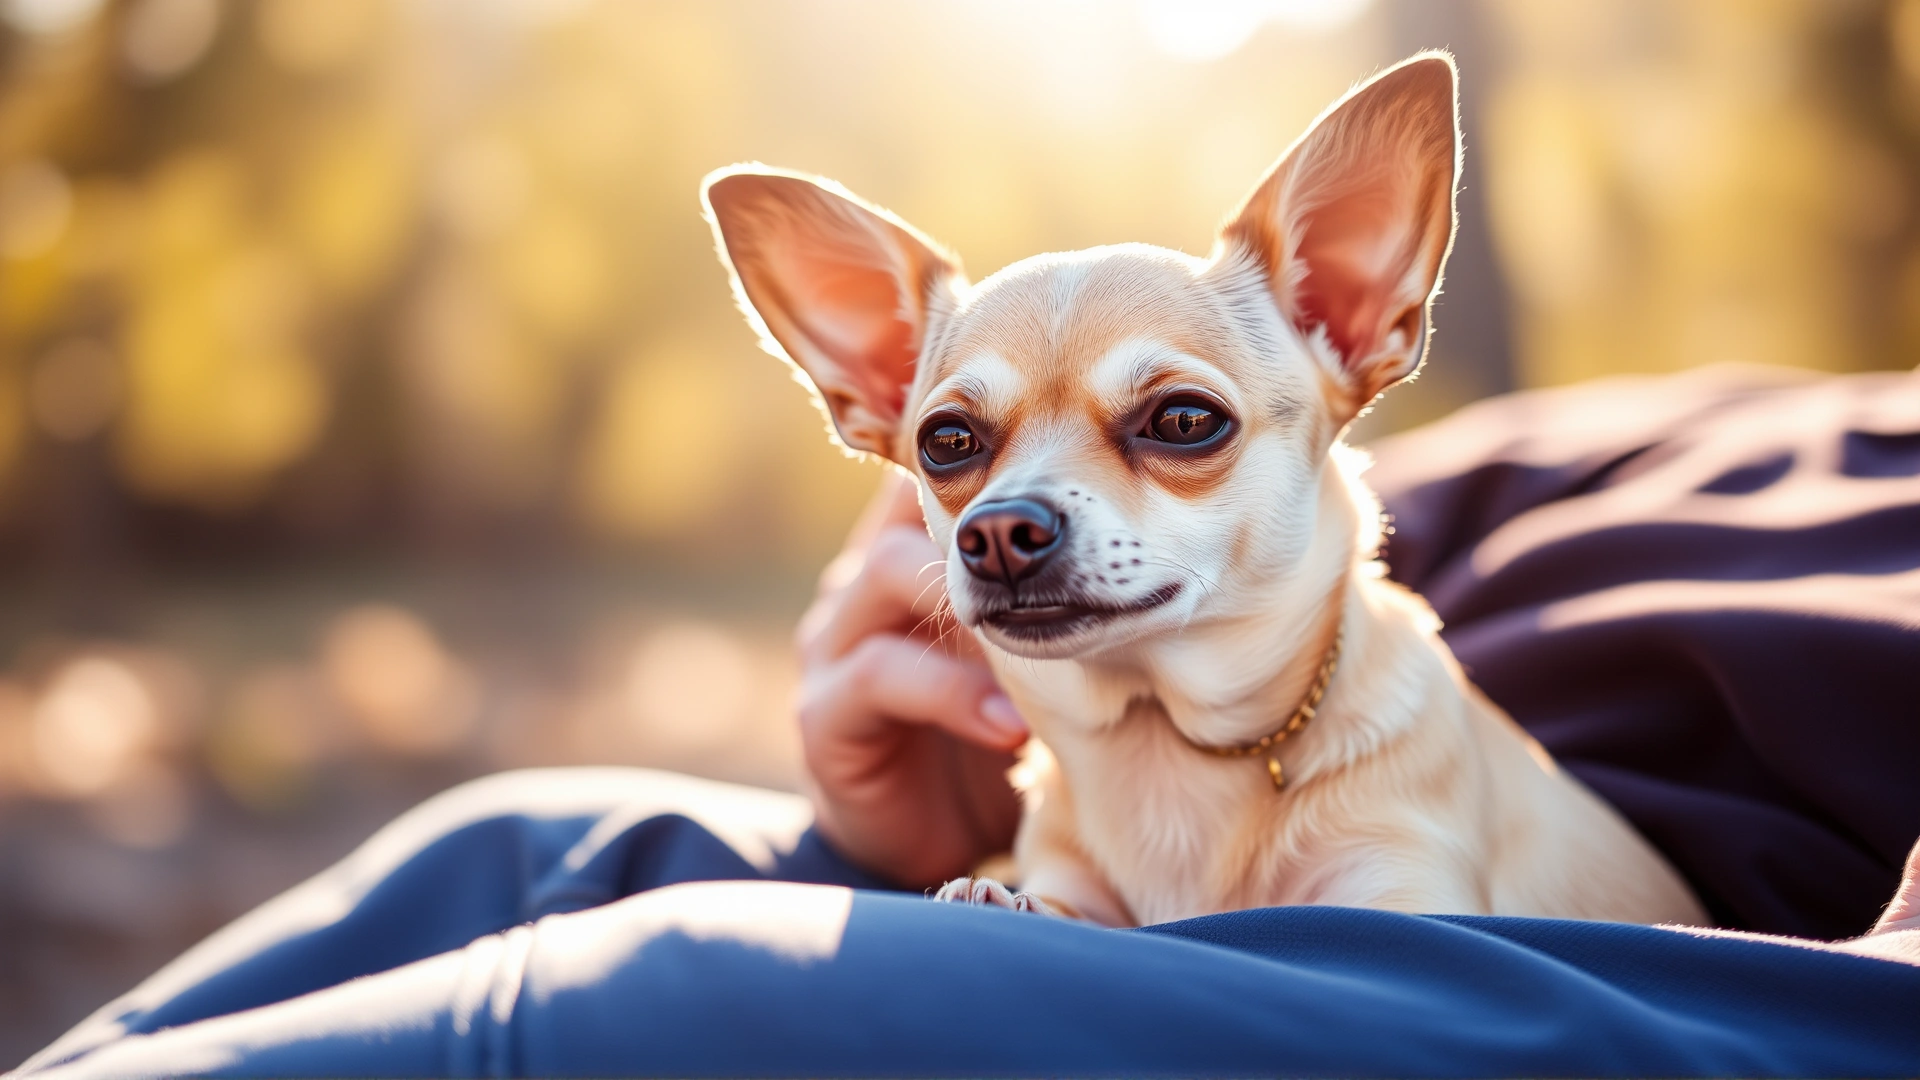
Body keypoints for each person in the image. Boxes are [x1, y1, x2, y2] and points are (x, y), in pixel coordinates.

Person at [15, 364, 1920, 1077]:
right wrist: (906, 827)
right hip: (1080, 848)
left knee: (673, 999)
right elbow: (1271, 484)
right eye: (954, 449)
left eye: (1170, 422)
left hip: (1654, 996)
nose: (1003, 500)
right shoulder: (1653, 425)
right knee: (512, 853)